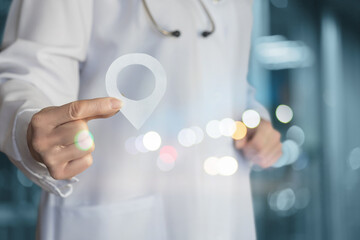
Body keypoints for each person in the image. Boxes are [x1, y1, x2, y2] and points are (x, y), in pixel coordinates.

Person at [0, 0, 282, 239]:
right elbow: (29, 73)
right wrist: (32, 126)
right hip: (112, 214)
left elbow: (229, 83)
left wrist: (255, 120)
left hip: (225, 216)